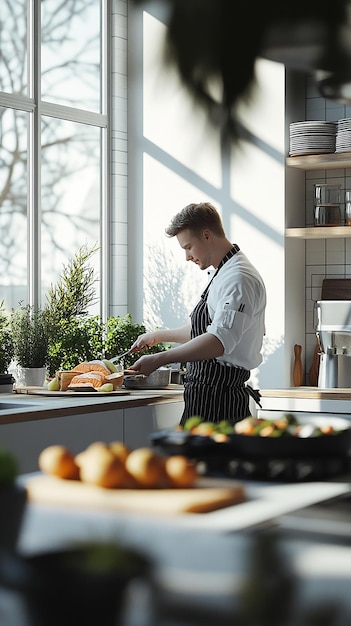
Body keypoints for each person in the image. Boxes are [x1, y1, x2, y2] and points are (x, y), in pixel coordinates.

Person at [129, 202, 266, 425]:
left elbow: (219, 341)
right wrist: (158, 336)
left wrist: (159, 358)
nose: (187, 256)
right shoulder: (224, 272)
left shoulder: (238, 278)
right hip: (204, 396)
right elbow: (205, 329)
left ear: (206, 235)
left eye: (188, 247)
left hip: (220, 401)